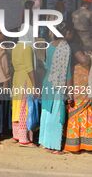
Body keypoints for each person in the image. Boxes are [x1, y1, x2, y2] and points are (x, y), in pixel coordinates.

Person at [39, 22, 72, 154]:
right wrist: (70, 92)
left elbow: (47, 65)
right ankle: (53, 146)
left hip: (47, 81)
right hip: (57, 84)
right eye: (71, 32)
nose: (72, 35)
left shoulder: (50, 45)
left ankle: (45, 142)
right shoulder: (66, 47)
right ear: (66, 33)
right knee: (56, 114)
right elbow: (68, 71)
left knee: (47, 113)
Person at [64, 28, 92, 153]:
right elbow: (84, 60)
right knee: (80, 110)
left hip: (76, 81)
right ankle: (79, 144)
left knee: (80, 111)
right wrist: (90, 56)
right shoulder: (74, 45)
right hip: (79, 81)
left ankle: (77, 143)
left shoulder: (66, 45)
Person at [11, 33, 37, 147]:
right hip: (25, 80)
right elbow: (29, 68)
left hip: (17, 78)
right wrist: (35, 86)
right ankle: (24, 138)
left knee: (17, 107)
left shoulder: (15, 47)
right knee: (24, 108)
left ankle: (16, 135)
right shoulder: (27, 48)